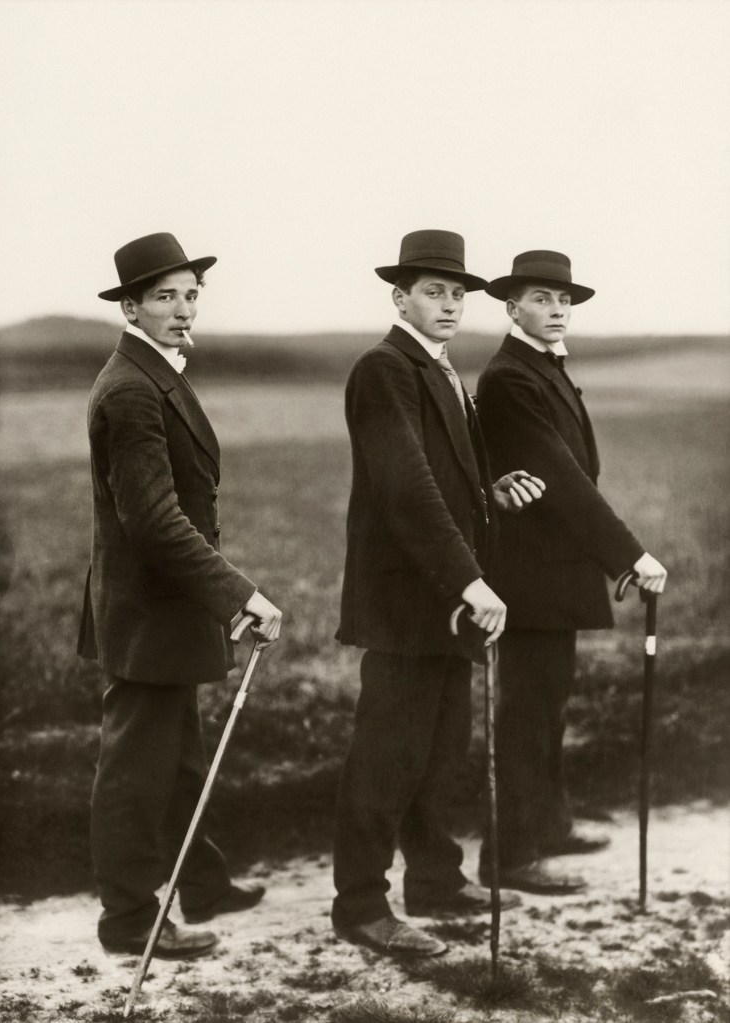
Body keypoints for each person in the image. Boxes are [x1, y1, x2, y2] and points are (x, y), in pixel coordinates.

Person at [332, 229, 545, 957]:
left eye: (458, 292)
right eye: (434, 290)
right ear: (401, 297)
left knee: (442, 748)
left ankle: (434, 877)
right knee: (388, 753)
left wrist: (490, 492)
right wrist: (470, 578)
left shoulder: (442, 370)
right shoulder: (383, 369)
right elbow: (408, 488)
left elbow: (446, 479)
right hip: (404, 601)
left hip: (445, 600)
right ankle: (361, 903)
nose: (450, 303)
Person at [78, 232, 282, 957]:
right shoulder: (131, 387)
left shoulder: (153, 371)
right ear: (130, 305)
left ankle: (202, 883)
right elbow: (155, 519)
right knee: (135, 769)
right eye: (165, 296)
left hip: (164, 609)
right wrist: (239, 595)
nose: (183, 308)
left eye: (191, 294)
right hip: (147, 610)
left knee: (181, 753)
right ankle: (127, 920)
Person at [475, 250, 667, 894]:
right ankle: (510, 854)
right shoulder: (509, 378)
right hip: (529, 575)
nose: (556, 310)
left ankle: (549, 826)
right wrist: (629, 555)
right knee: (527, 713)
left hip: (555, 572)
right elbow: (560, 478)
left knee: (549, 704)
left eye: (564, 301)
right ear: (512, 307)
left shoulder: (541, 368)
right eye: (541, 299)